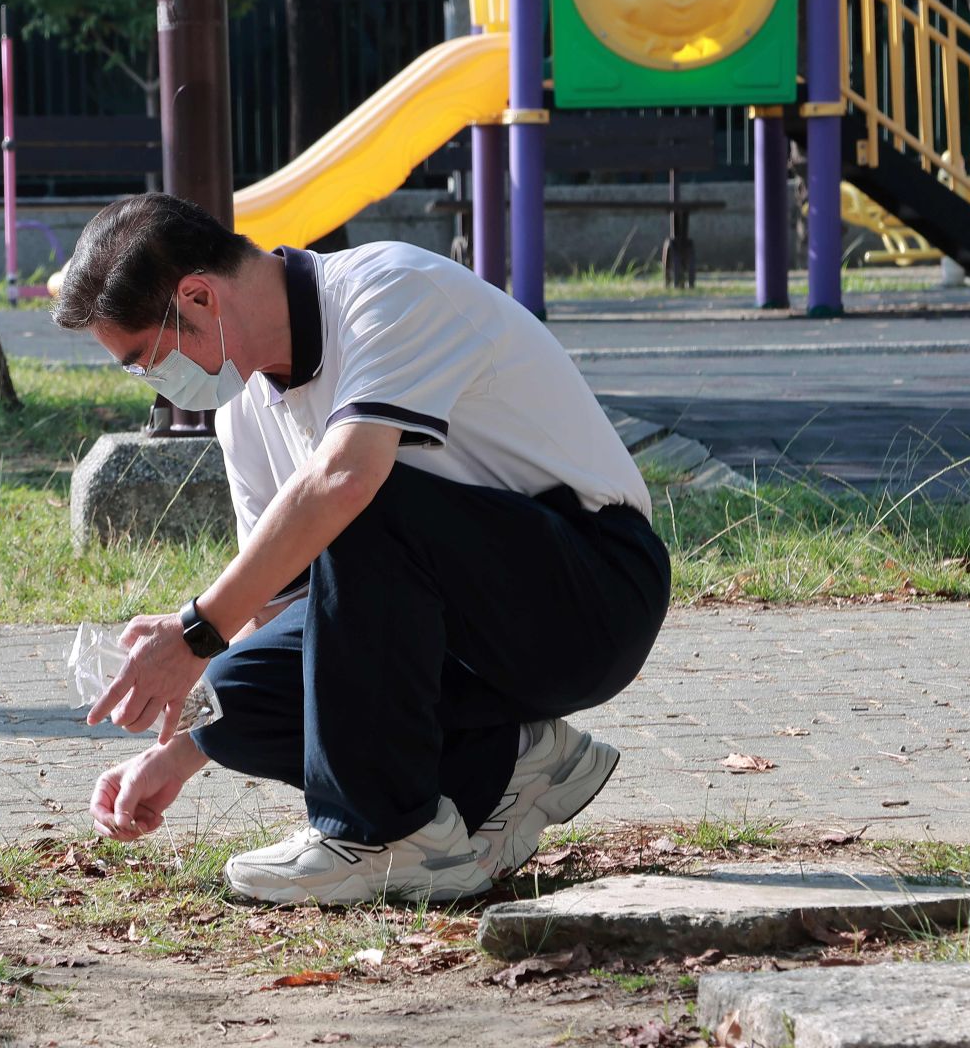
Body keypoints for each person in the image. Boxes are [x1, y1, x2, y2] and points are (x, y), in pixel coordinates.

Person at [55, 195, 670, 906]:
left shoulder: (391, 290)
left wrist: (194, 630)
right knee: (226, 698)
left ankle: (383, 835)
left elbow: (347, 480)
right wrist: (180, 747)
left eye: (146, 360)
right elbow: (283, 612)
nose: (155, 384)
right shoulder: (245, 411)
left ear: (197, 296)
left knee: (359, 501)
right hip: (460, 634)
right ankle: (511, 764)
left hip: (593, 596)